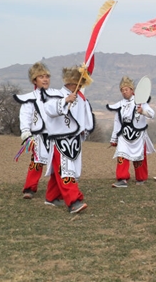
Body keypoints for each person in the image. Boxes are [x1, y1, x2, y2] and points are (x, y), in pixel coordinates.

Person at [41, 66, 95, 214]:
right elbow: (49, 109)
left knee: (59, 170)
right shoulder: (56, 94)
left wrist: (84, 128)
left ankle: (51, 197)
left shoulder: (80, 98)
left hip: (75, 140)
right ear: (72, 83)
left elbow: (83, 117)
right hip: (60, 140)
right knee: (66, 170)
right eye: (79, 83)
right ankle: (74, 201)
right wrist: (65, 100)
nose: (81, 86)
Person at [107, 76, 156, 188]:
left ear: (131, 90)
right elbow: (117, 121)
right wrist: (114, 138)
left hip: (138, 134)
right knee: (121, 155)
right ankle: (122, 179)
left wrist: (142, 111)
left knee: (139, 157)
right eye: (122, 90)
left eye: (126, 89)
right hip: (124, 134)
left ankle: (141, 178)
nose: (124, 92)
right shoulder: (120, 104)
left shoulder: (141, 102)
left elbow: (152, 114)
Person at [13, 62, 52, 199]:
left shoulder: (56, 96)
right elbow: (25, 116)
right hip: (38, 135)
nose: (45, 79)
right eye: (41, 76)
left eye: (47, 76)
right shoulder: (29, 98)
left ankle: (57, 190)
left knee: (57, 164)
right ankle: (30, 188)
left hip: (55, 136)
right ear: (35, 80)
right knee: (36, 162)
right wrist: (26, 132)